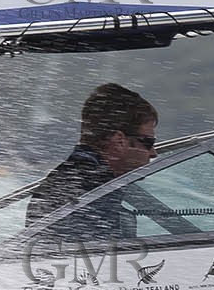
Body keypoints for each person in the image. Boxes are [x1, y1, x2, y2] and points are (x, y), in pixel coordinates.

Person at [25, 83, 158, 240]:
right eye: (148, 142)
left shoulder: (75, 177)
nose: (153, 153)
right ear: (119, 140)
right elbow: (103, 260)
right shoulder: (93, 188)